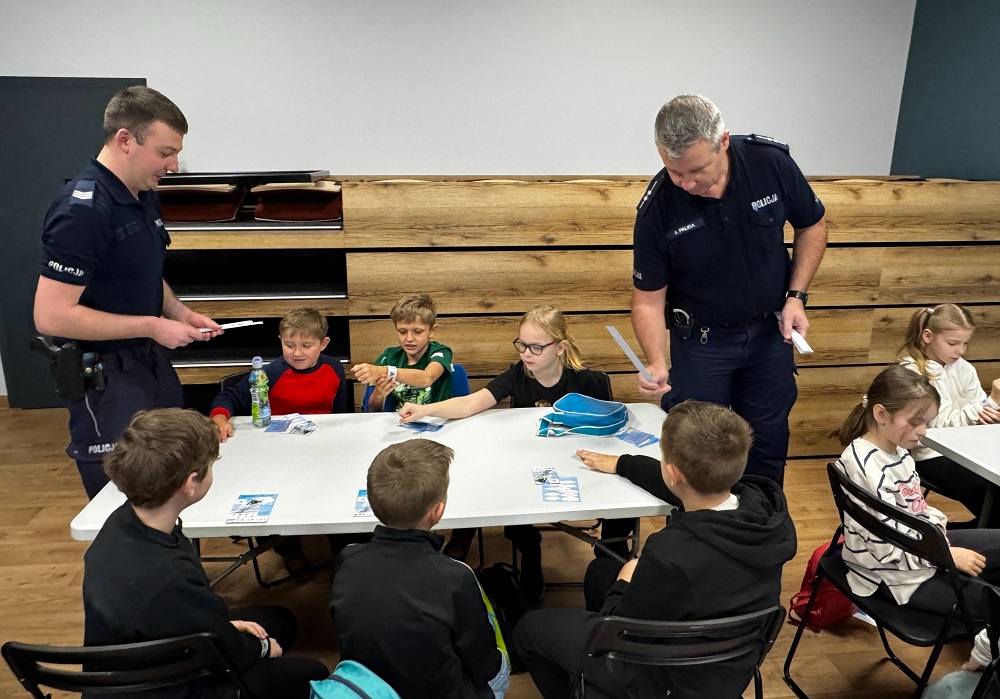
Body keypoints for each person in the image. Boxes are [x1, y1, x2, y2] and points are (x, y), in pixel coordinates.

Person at [512, 400, 796, 699]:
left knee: (529, 630)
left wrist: (624, 582)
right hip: (729, 669)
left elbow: (622, 630)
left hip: (665, 679)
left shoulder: (669, 555)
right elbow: (691, 488)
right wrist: (623, 463)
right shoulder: (763, 511)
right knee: (600, 570)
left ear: (673, 474)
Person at [33, 86, 222, 499]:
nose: (173, 165)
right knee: (123, 493)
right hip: (104, 377)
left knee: (175, 472)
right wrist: (152, 325)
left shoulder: (142, 195)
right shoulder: (83, 210)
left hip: (148, 362)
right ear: (124, 140)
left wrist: (178, 313)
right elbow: (50, 315)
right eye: (164, 152)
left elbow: (141, 271)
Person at [629, 94, 828, 487]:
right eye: (674, 172)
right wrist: (656, 362)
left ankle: (763, 521)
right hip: (701, 345)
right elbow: (648, 301)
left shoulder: (769, 163)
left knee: (767, 444)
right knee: (697, 453)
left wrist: (797, 296)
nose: (687, 183)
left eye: (696, 170)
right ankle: (700, 525)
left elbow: (813, 224)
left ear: (723, 141)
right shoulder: (658, 207)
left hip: (770, 334)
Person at [82, 408, 328, 698]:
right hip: (164, 685)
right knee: (314, 673)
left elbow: (174, 617)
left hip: (147, 648)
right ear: (190, 483)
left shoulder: (120, 523)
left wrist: (223, 626)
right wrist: (261, 648)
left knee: (280, 621)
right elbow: (221, 643)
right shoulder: (170, 577)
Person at [398, 305, 623, 601]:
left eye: (536, 347)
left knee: (621, 490)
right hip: (529, 464)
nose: (526, 353)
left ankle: (612, 557)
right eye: (522, 345)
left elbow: (611, 431)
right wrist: (425, 410)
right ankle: (530, 548)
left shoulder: (588, 381)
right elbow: (471, 403)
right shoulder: (518, 374)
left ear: (559, 347)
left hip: (579, 464)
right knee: (509, 494)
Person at [330, 439, 509, 699]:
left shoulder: (347, 558)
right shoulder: (456, 576)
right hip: (441, 692)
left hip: (367, 689)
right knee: (498, 657)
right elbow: (485, 665)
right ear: (438, 511)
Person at [834, 364, 1000, 624]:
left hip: (922, 548)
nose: (923, 431)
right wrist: (946, 555)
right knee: (994, 602)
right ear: (881, 413)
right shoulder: (865, 468)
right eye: (915, 422)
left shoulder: (898, 450)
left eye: (927, 423)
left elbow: (916, 509)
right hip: (894, 578)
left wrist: (940, 539)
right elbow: (886, 548)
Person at [210, 307, 349, 580]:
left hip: (322, 453)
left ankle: (343, 553)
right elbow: (228, 398)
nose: (297, 352)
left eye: (307, 345)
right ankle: (289, 550)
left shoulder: (334, 368)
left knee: (338, 492)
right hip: (275, 455)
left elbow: (340, 413)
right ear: (280, 341)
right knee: (263, 495)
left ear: (323, 343)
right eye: (289, 345)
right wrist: (219, 418)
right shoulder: (271, 372)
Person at [898, 304, 1000, 526]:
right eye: (953, 343)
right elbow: (938, 426)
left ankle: (970, 531)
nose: (960, 351)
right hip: (929, 454)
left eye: (965, 343)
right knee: (990, 496)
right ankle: (960, 534)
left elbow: (978, 412)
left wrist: (991, 411)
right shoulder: (913, 373)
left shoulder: (965, 368)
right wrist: (991, 402)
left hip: (968, 449)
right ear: (928, 336)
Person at [352, 293, 453, 411]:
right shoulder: (389, 357)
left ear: (432, 331)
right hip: (401, 419)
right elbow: (373, 409)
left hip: (436, 419)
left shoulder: (440, 352)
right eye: (402, 331)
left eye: (418, 331)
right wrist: (379, 394)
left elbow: (426, 378)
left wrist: (386, 371)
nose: (409, 338)